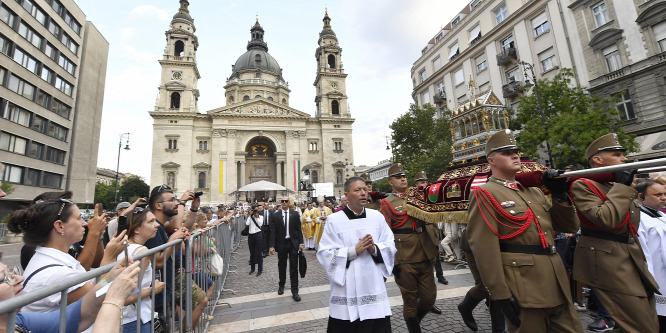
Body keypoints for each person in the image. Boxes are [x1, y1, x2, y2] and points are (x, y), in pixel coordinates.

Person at [466, 129, 583, 332]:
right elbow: (484, 247)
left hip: (556, 280)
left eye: (516, 151)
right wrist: (499, 293)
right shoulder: (485, 193)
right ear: (491, 160)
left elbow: (568, 226)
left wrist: (560, 195)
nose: (515, 155)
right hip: (524, 284)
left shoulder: (533, 191)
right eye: (506, 152)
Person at [570, 133, 659, 332]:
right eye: (617, 154)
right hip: (607, 259)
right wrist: (622, 186)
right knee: (639, 325)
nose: (624, 159)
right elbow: (606, 219)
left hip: (629, 255)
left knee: (646, 316)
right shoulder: (584, 184)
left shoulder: (614, 184)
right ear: (598, 160)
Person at [7, 199, 123, 314]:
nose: (85, 223)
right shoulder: (56, 273)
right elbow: (98, 298)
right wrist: (109, 257)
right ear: (60, 226)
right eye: (78, 218)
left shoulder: (50, 259)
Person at [317, 177, 397, 332]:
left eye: (365, 190)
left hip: (373, 285)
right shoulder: (334, 220)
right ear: (346, 195)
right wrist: (354, 251)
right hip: (347, 288)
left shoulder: (377, 217)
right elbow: (325, 254)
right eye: (357, 190)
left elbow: (390, 245)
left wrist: (374, 249)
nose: (363, 193)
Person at [0, 259, 140, 333]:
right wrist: (114, 300)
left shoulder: (17, 322)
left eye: (12, 271)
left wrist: (108, 280)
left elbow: (79, 315)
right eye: (6, 277)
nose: (19, 278)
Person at [379, 163, 437, 333]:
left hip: (425, 252)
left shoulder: (417, 197)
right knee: (410, 299)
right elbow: (386, 234)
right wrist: (392, 262)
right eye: (398, 177)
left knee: (429, 298)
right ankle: (414, 328)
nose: (402, 179)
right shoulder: (387, 202)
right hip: (404, 257)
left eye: (404, 176)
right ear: (390, 182)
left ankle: (414, 321)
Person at [145, 185, 208, 331]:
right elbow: (158, 262)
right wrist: (173, 240)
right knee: (164, 320)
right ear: (158, 205)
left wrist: (193, 209)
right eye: (172, 200)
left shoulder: (161, 225)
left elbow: (181, 226)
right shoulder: (153, 227)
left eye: (176, 200)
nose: (177, 203)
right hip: (161, 281)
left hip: (168, 278)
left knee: (169, 317)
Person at [118, 207, 166, 333]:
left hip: (126, 318)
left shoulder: (122, 247)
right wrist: (153, 290)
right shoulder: (141, 252)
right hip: (135, 320)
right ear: (136, 229)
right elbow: (126, 297)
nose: (157, 225)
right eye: (151, 222)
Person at [458, 229, 506, 332]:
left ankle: (499, 329)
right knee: (484, 285)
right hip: (476, 241)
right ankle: (465, 307)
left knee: (498, 284)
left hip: (500, 241)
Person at [636, 180, 666, 331]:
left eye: (664, 194)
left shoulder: (661, 214)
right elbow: (643, 253)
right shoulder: (639, 219)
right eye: (658, 194)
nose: (663, 197)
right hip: (657, 276)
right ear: (641, 197)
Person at [269, 197, 304, 302]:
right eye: (282, 201)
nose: (284, 203)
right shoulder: (275, 215)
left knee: (294, 267)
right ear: (281, 203)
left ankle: (295, 291)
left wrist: (301, 242)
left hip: (293, 244)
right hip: (281, 244)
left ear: (289, 203)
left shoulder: (295, 214)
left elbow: (299, 229)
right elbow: (273, 232)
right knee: (282, 265)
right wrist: (271, 246)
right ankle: (281, 285)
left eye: (286, 201)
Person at [246, 205, 264, 276]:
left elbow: (260, 224)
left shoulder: (261, 217)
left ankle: (260, 270)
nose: (255, 213)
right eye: (254, 212)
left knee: (259, 253)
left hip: (258, 235)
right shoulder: (250, 217)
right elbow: (247, 223)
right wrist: (250, 216)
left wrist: (257, 217)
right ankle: (252, 269)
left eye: (256, 212)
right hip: (251, 235)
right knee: (252, 253)